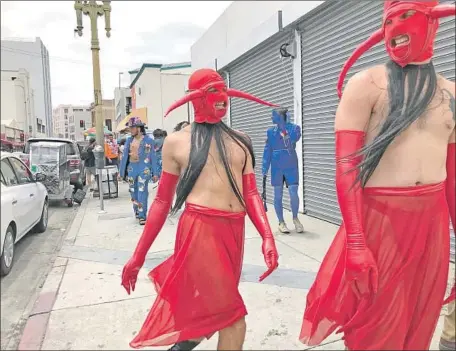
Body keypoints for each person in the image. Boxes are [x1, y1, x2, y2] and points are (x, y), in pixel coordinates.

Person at [300, 1, 455, 350]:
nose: (394, 28)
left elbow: (454, 178)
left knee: (420, 325)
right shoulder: (366, 83)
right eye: (388, 20)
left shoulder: (451, 93)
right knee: (374, 332)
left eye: (405, 16)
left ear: (433, 21)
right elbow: (346, 166)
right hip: (379, 223)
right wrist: (356, 241)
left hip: (432, 224)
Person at [121, 68, 280, 351]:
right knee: (233, 319)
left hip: (234, 232)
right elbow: (160, 202)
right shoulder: (177, 141)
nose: (222, 98)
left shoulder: (241, 139)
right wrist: (137, 256)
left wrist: (268, 235)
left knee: (212, 313)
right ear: (196, 98)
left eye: (224, 91)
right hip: (201, 232)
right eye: (213, 92)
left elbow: (251, 192)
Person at [262, 107, 304, 234]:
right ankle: (281, 222)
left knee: (293, 193)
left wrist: (284, 129)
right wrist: (265, 168)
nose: (271, 118)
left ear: (280, 117)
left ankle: (295, 218)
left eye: (273, 116)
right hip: (276, 166)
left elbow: (292, 140)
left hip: (290, 164)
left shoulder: (294, 128)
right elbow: (267, 150)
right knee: (278, 195)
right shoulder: (270, 132)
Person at [119, 117, 158, 225]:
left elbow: (153, 157)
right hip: (131, 168)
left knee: (142, 191)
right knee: (133, 191)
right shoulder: (129, 140)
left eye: (132, 127)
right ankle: (137, 210)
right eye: (130, 128)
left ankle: (142, 215)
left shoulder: (149, 140)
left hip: (144, 168)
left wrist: (155, 173)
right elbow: (124, 157)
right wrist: (121, 172)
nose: (130, 130)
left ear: (139, 128)